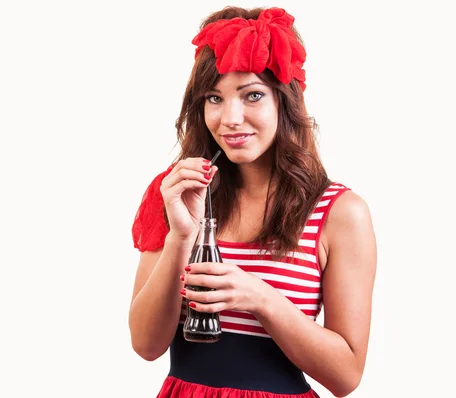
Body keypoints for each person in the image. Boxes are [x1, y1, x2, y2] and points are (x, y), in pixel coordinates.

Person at [128, 6, 376, 398]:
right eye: (214, 97)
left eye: (253, 95)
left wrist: (260, 297)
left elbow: (346, 377)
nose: (230, 118)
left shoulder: (340, 213)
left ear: (286, 101)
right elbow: (145, 345)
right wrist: (180, 235)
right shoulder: (178, 190)